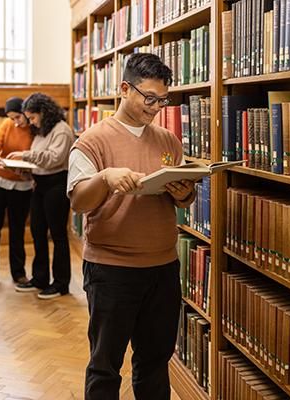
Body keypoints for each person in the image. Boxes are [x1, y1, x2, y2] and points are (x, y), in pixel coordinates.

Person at [67, 53, 196, 399]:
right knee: (105, 365)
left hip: (163, 268)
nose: (155, 107)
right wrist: (106, 178)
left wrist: (185, 193)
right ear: (125, 88)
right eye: (148, 98)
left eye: (162, 100)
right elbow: (79, 200)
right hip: (112, 270)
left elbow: (182, 199)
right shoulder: (91, 141)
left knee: (155, 362)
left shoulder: (169, 140)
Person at [7, 93, 74, 299]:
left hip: (56, 185)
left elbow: (54, 159)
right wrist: (24, 169)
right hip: (41, 184)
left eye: (33, 117)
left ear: (43, 112)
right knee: (37, 231)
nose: (31, 122)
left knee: (57, 234)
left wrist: (25, 156)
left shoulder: (62, 130)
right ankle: (40, 278)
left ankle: (61, 283)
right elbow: (40, 162)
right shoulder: (41, 131)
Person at [0, 97, 35, 287]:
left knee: (17, 230)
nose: (15, 122)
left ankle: (19, 273)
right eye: (12, 118)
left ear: (26, 113)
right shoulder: (7, 124)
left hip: (21, 186)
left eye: (18, 118)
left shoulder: (35, 128)